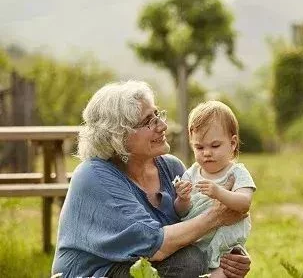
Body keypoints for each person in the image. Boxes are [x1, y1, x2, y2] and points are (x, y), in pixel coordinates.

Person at [51, 81, 251, 278]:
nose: (163, 125)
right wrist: (218, 215)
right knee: (188, 262)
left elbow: (191, 229)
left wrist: (229, 257)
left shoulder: (172, 167)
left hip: (144, 266)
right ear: (118, 134)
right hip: (97, 272)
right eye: (149, 121)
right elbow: (154, 245)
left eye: (158, 115)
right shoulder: (93, 176)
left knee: (191, 259)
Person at [173, 100, 256, 278]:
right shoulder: (191, 173)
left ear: (232, 143)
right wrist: (183, 199)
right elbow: (181, 212)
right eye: (199, 147)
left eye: (215, 146)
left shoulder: (236, 172)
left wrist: (219, 192)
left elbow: (244, 203)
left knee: (224, 273)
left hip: (226, 245)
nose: (207, 153)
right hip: (197, 242)